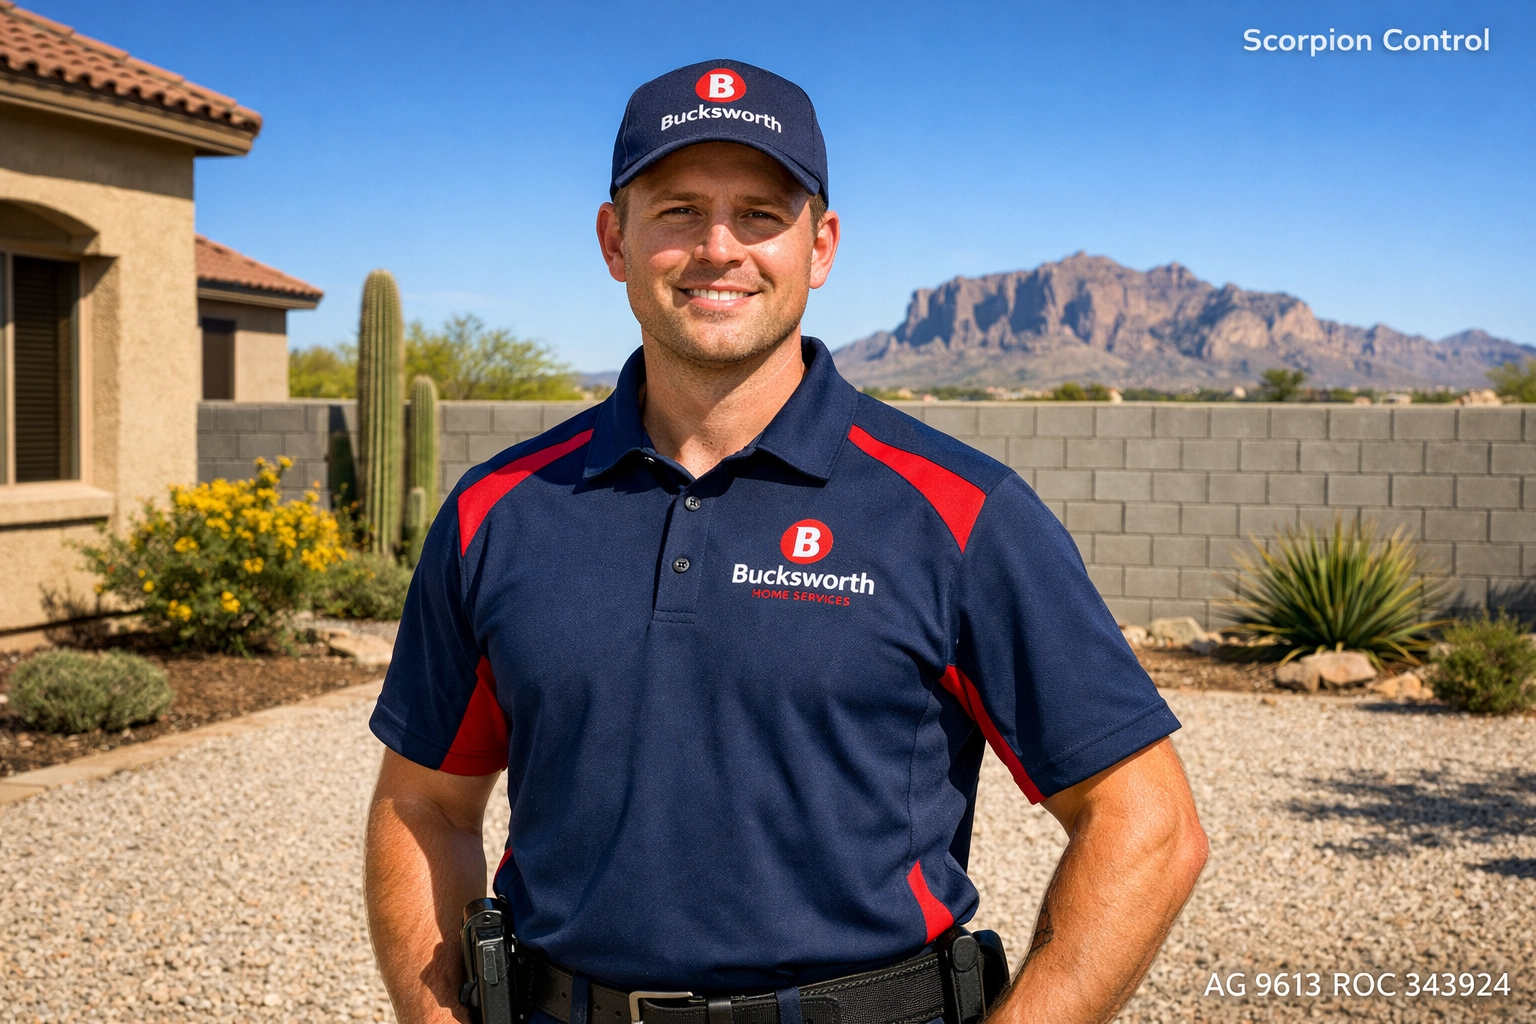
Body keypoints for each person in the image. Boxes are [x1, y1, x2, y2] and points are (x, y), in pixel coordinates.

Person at [364, 59, 1207, 1024]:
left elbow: (1147, 824)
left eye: (760, 214)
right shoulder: (497, 511)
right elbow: (424, 804)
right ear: (615, 239)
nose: (718, 248)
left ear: (822, 245)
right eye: (677, 209)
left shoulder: (959, 512)